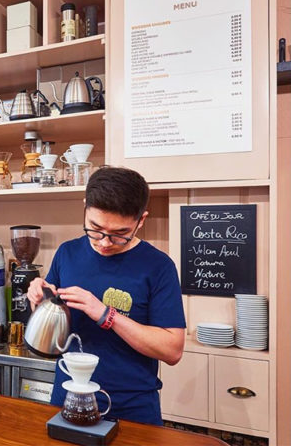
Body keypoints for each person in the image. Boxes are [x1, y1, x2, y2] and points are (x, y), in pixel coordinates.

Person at [27, 166, 186, 426]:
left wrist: (105, 314)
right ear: (85, 207)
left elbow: (172, 350)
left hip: (132, 407)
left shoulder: (158, 266)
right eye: (95, 228)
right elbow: (55, 327)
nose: (104, 242)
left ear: (141, 220)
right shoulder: (68, 253)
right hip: (68, 395)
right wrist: (40, 299)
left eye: (120, 234)